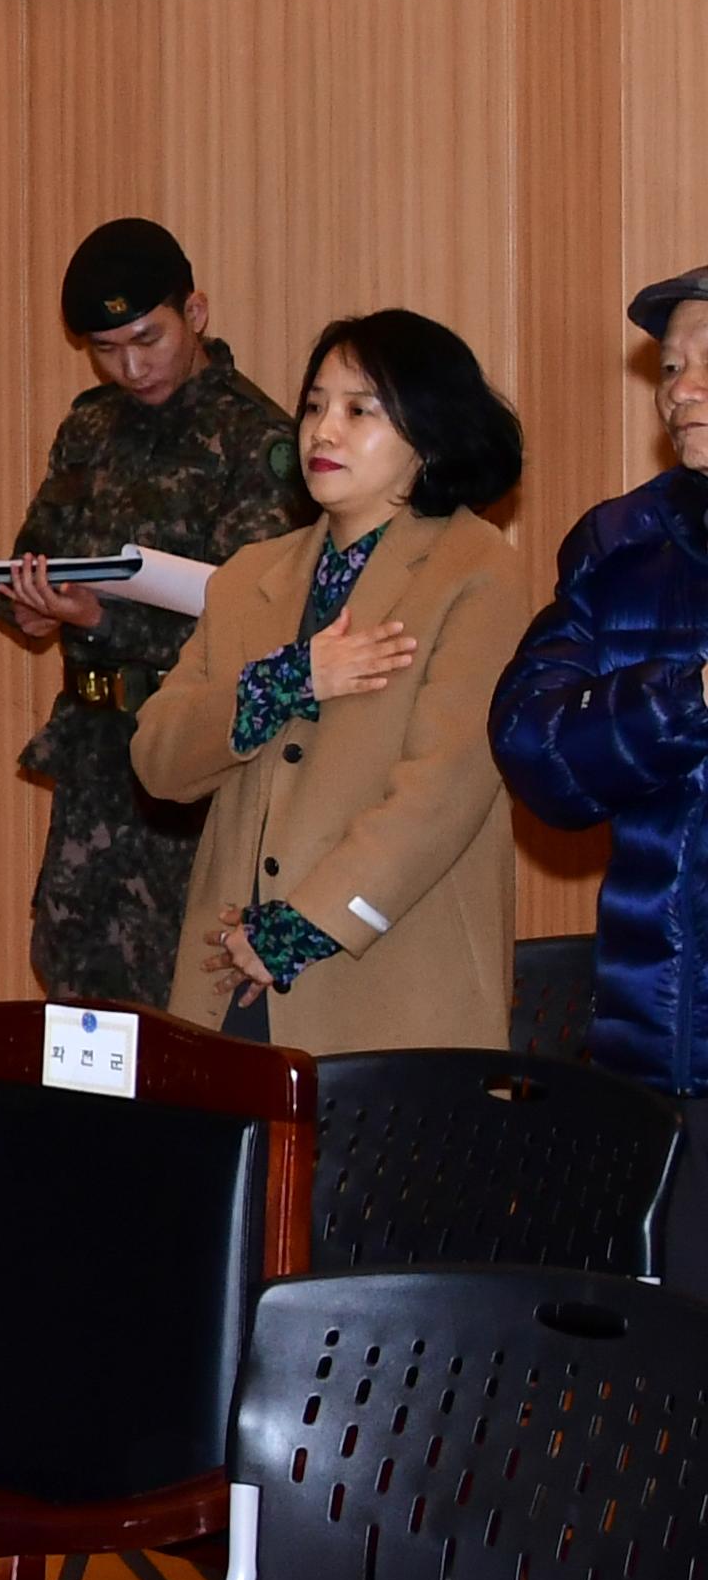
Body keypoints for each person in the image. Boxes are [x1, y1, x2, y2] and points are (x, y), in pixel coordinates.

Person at [131, 311, 526, 1053]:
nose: (322, 431)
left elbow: (442, 790)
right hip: (227, 982)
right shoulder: (251, 576)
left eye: (358, 410)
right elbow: (158, 760)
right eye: (314, 405)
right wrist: (286, 680)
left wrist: (303, 926)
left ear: (428, 435)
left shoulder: (476, 572)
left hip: (388, 983)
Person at [0, 219, 307, 1006]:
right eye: (106, 349)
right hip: (95, 753)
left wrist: (100, 621)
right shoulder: (90, 428)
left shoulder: (259, 441)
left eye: (147, 338)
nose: (130, 367)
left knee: (189, 990)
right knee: (71, 973)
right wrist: (32, 609)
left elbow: (254, 623)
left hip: (194, 761)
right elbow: (42, 549)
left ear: (194, 313)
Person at [491, 266, 708, 1282]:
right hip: (671, 1055)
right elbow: (537, 749)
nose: (680, 390)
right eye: (670, 367)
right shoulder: (624, 546)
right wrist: (687, 695)